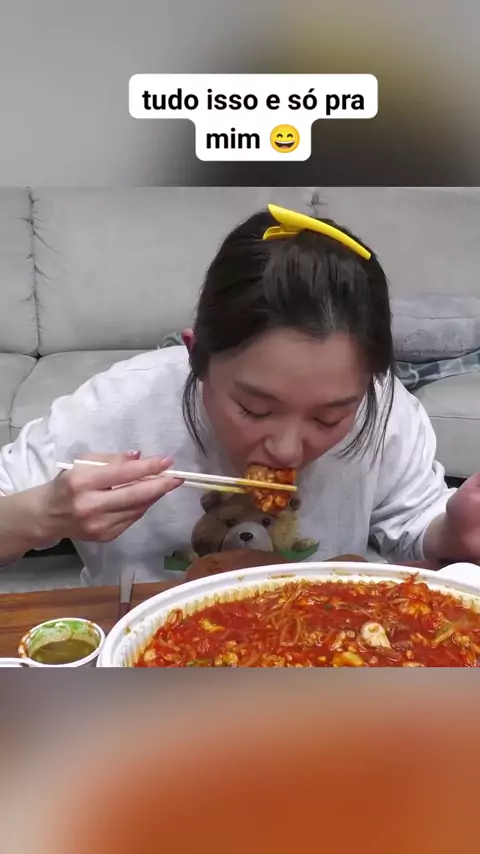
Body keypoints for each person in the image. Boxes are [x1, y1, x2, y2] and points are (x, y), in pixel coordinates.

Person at [0, 204, 479, 586]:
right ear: (197, 357)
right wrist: (40, 515)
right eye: (254, 409)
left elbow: (416, 527)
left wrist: (453, 531)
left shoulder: (382, 407)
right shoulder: (116, 406)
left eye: (329, 418)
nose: (287, 450)